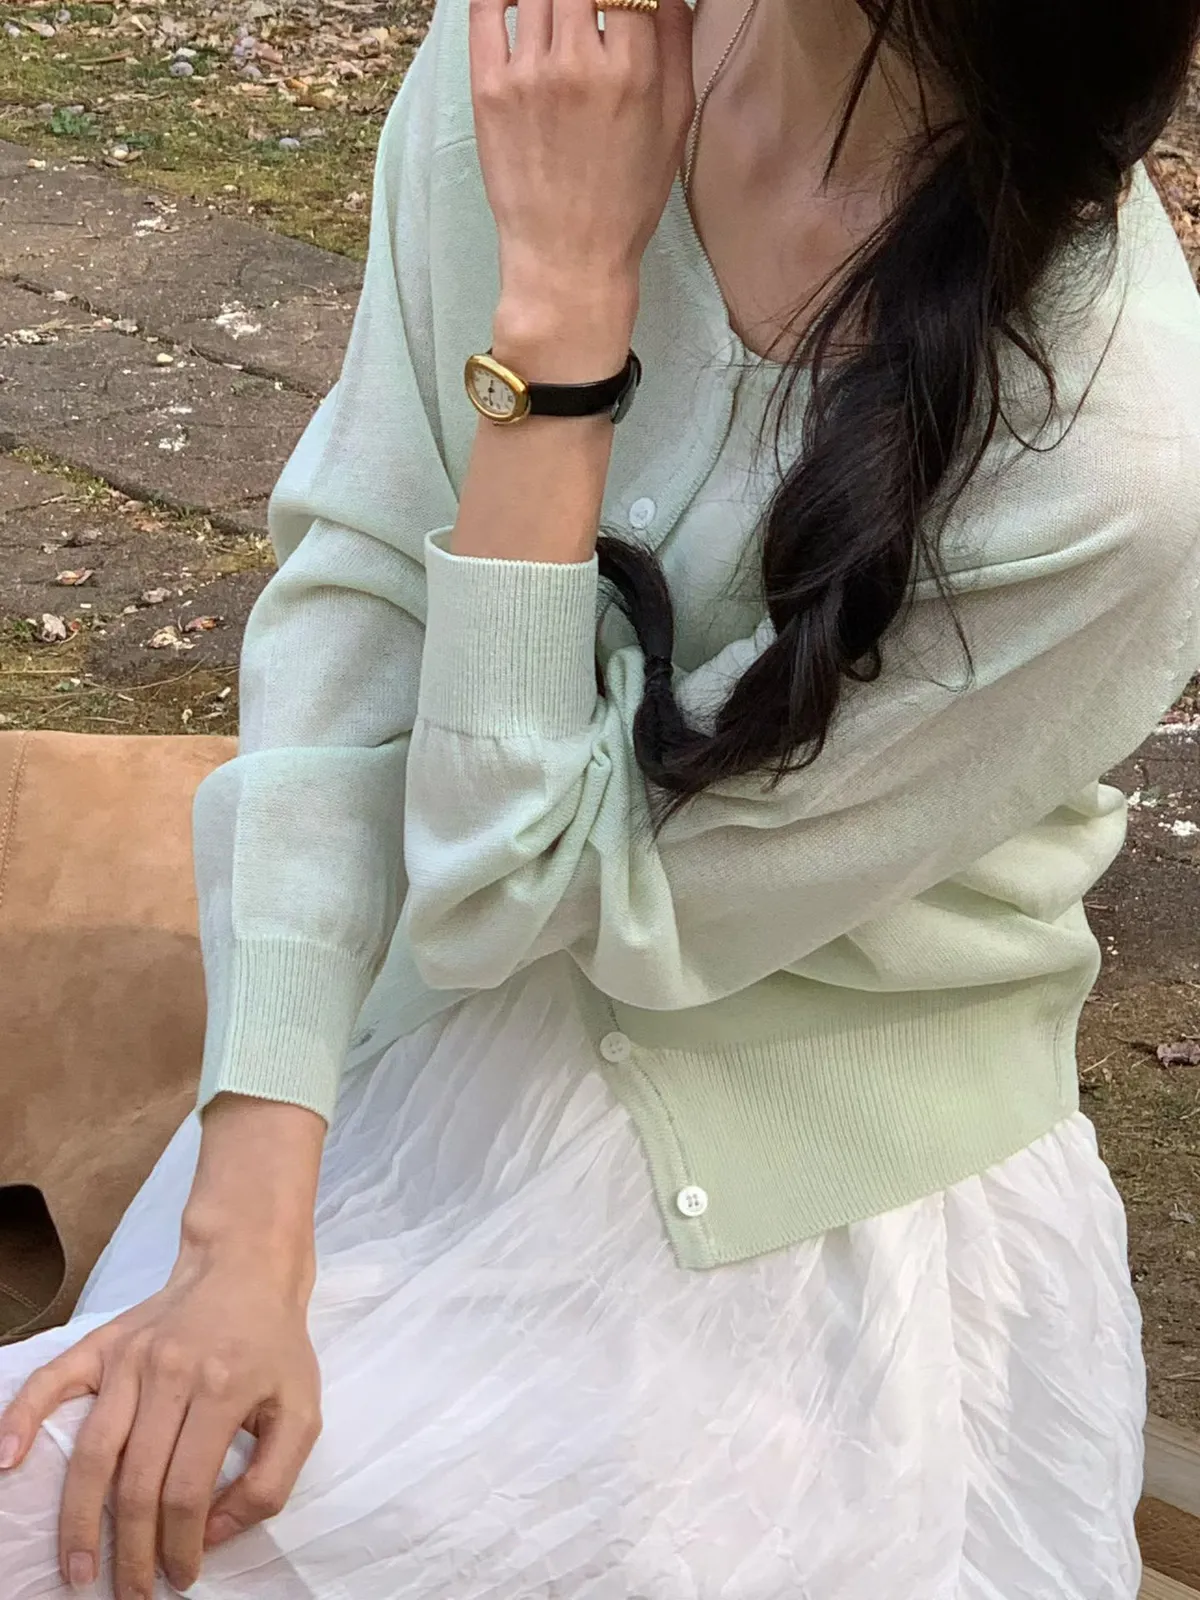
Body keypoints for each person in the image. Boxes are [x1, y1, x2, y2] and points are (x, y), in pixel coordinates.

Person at [2, 0, 1200, 1592]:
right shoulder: (543, 53)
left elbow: (522, 882)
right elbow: (363, 593)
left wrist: (563, 325)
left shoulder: (1116, 460)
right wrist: (243, 1214)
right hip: (418, 1042)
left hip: (802, 1221)